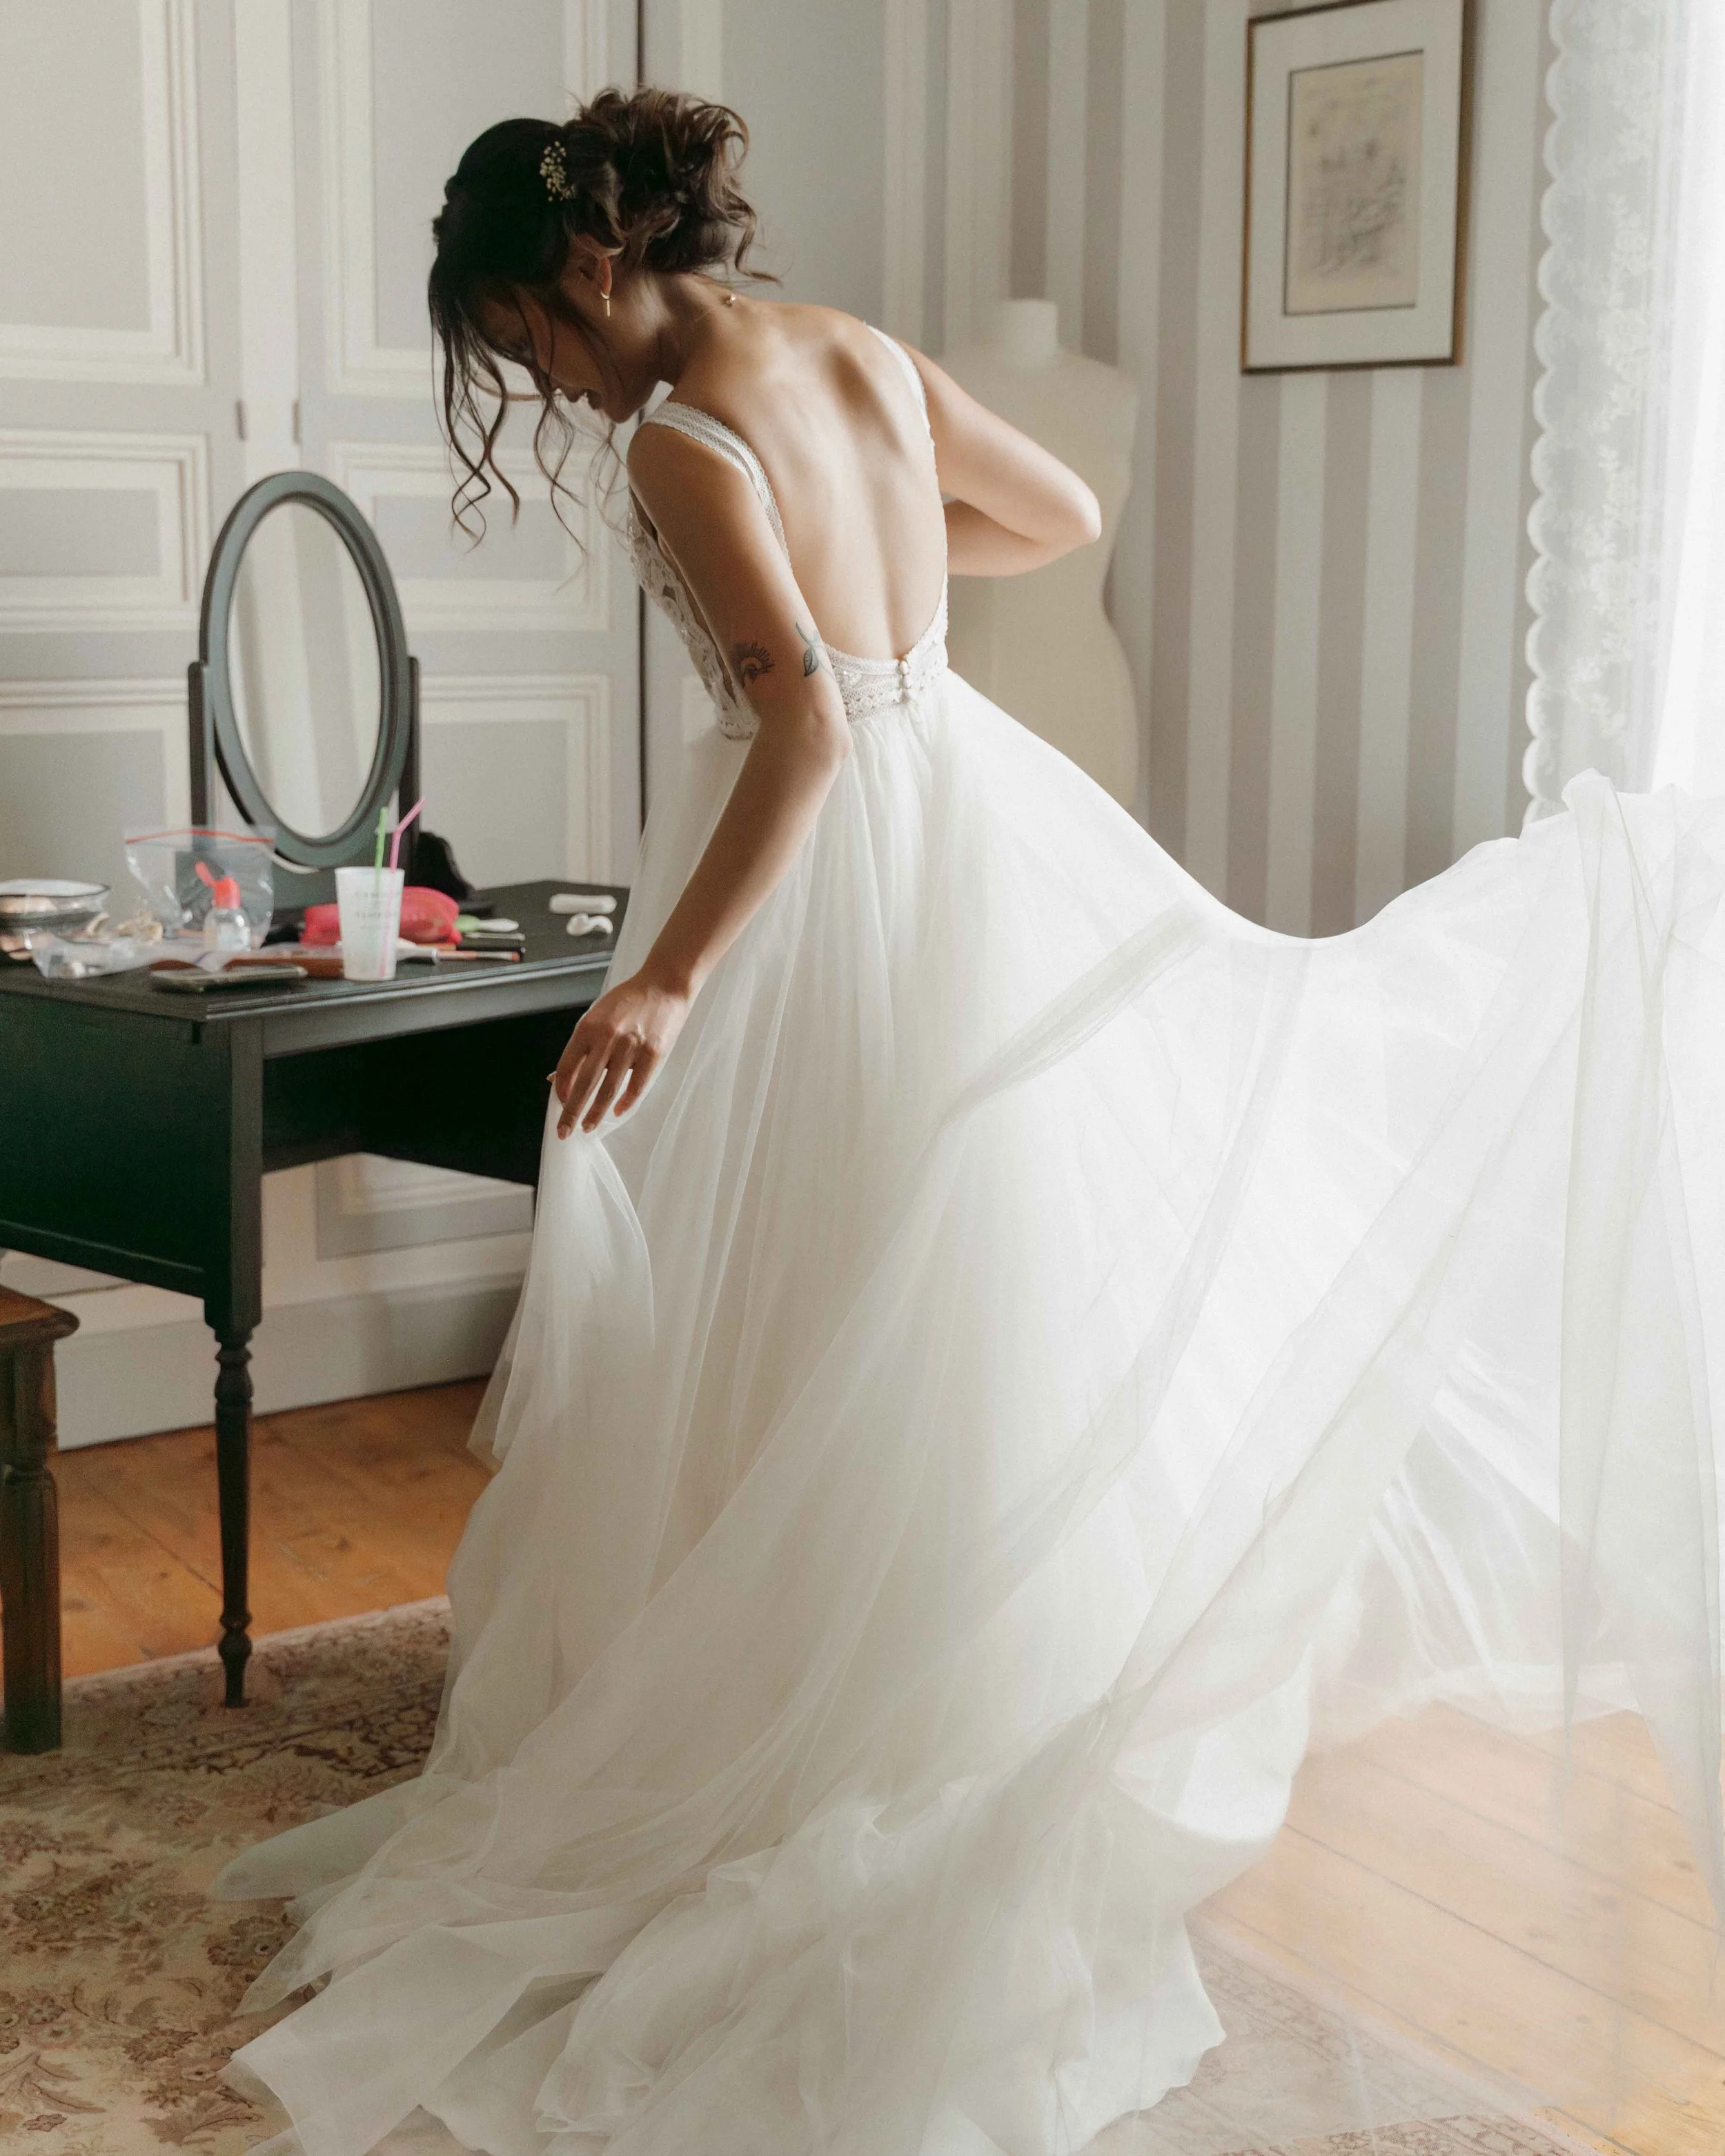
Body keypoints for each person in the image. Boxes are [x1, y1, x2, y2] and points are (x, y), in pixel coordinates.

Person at [215, 89, 1725, 2156]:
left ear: (573, 269)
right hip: (979, 825)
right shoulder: (848, 345)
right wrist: (909, 615)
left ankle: (811, 1716)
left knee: (814, 1283)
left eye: (516, 334)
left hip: (818, 862)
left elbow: (804, 726)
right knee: (953, 1276)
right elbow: (1053, 527)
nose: (538, 385)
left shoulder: (677, 435)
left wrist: (667, 975)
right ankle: (961, 1691)